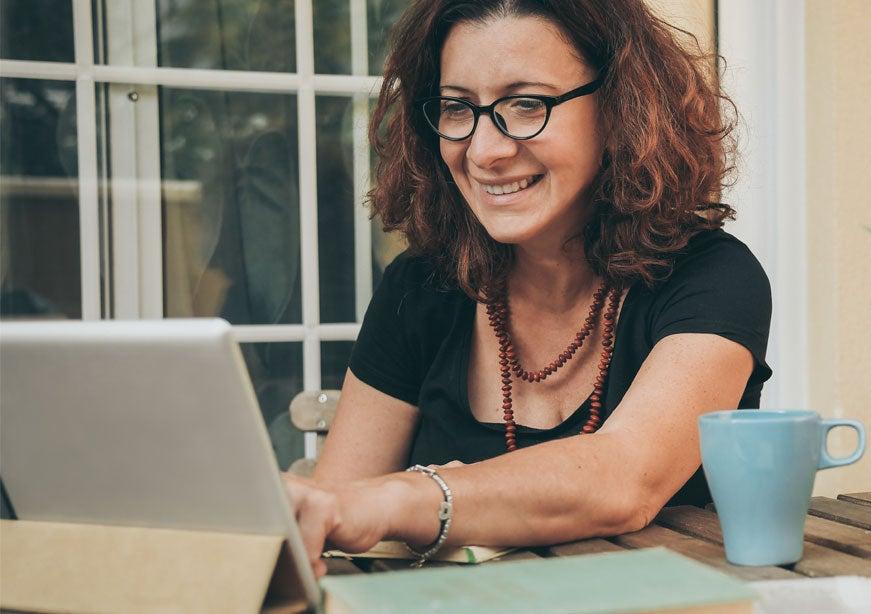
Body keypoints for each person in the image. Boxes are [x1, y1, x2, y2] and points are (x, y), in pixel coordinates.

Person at [282, 0, 772, 577]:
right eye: (457, 108)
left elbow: (625, 478)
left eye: (526, 104)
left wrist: (400, 498)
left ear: (620, 107)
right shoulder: (420, 286)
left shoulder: (712, 277)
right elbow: (335, 520)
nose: (485, 151)